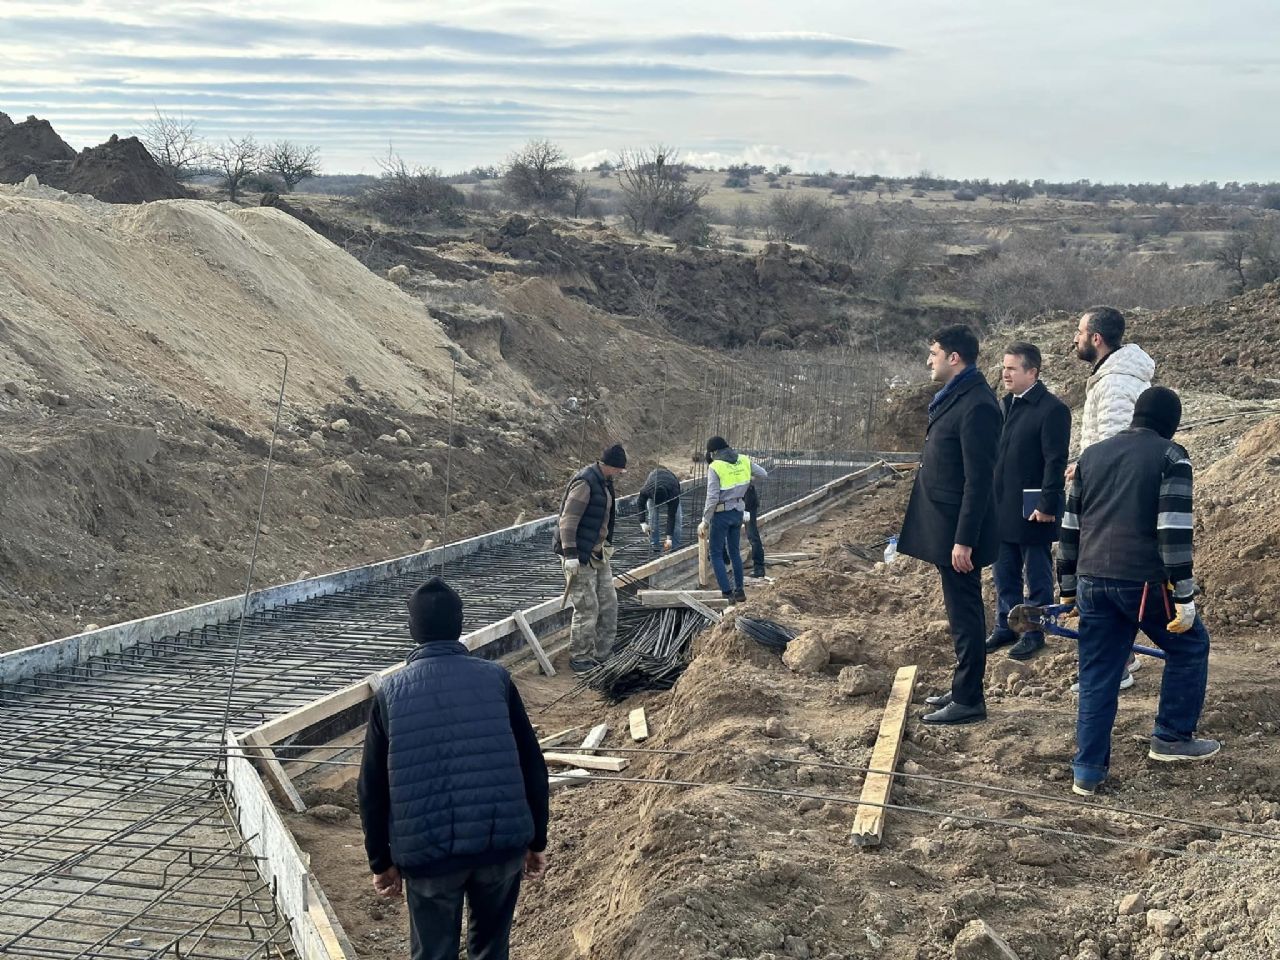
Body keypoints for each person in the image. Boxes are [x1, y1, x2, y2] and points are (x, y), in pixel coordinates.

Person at [357, 577, 550, 960]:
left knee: (433, 953)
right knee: (491, 950)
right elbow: (533, 764)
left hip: (429, 859)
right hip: (501, 847)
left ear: (412, 630)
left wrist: (381, 861)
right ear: (461, 624)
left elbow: (372, 789)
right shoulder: (496, 680)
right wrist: (537, 841)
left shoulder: (390, 696)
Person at [1057, 387, 1218, 797]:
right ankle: (1171, 737)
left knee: (1099, 673)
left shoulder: (1091, 456)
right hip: (1143, 584)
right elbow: (1173, 531)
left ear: (1135, 415)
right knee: (1190, 646)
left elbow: (1070, 526)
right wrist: (1184, 596)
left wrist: (1068, 589)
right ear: (1172, 423)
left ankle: (1087, 771)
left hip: (1092, 581)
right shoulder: (1171, 456)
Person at [897, 325, 1001, 725]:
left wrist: (964, 540)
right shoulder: (957, 397)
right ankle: (962, 688)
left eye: (935, 352)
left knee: (967, 614)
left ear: (954, 357)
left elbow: (979, 480)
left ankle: (970, 699)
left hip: (959, 532)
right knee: (960, 613)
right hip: (945, 524)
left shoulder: (977, 405)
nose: (930, 360)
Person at [1071, 305, 1156, 689]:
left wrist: (1088, 471)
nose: (1075, 338)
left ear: (1096, 339)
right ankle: (1125, 656)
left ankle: (1115, 667)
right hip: (1110, 493)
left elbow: (1117, 446)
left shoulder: (1117, 383)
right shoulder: (1110, 377)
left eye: (1079, 332)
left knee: (1105, 576)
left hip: (1110, 500)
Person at [987, 342, 1072, 661]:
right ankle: (1006, 625)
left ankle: (1034, 631)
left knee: (1036, 571)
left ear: (1032, 372)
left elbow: (1055, 460)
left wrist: (1048, 504)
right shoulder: (1005, 404)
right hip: (1002, 503)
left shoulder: (1052, 409)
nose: (1005, 373)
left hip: (1033, 503)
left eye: (1012, 368)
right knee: (1004, 569)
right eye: (1004, 368)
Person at [553, 444, 626, 673]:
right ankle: (580, 656)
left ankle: (603, 652)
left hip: (598, 553)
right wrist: (571, 555)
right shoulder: (585, 483)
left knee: (609, 603)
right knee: (587, 607)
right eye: (619, 470)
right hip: (579, 555)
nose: (620, 474)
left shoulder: (605, 482)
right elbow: (567, 522)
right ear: (610, 466)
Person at [699, 436, 767, 603]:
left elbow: (712, 497)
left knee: (715, 553)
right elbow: (763, 474)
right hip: (738, 512)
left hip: (721, 514)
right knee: (734, 552)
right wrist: (748, 481)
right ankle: (740, 591)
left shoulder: (716, 466)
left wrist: (705, 520)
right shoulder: (743, 460)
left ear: (714, 452)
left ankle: (727, 594)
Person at [721, 480, 767, 580]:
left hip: (747, 502)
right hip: (732, 503)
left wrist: (747, 509)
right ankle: (727, 565)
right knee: (725, 535)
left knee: (752, 535)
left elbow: (749, 486)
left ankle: (759, 568)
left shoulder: (743, 467)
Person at [636, 465, 682, 553]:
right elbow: (640, 504)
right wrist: (642, 522)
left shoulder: (674, 493)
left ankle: (675, 548)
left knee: (677, 519)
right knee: (653, 517)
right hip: (654, 478)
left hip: (670, 481)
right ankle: (654, 546)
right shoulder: (647, 490)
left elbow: (671, 516)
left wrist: (669, 538)